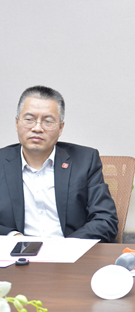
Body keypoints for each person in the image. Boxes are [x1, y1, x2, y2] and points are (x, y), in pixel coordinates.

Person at [0, 86, 118, 242]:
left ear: (61, 128)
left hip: (73, 251)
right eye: (29, 119)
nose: (37, 128)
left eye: (48, 121)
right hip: (16, 253)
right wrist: (12, 237)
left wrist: (64, 248)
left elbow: (105, 220)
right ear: (17, 122)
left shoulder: (85, 160)